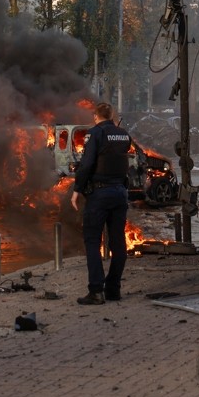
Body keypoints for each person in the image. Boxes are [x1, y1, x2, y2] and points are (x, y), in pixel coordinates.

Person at [71, 102, 132, 305]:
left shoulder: (95, 133)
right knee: (118, 243)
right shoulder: (123, 134)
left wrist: (77, 189)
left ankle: (96, 291)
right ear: (112, 115)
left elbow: (87, 164)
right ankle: (113, 289)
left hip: (99, 193)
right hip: (120, 193)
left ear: (96, 116)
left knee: (92, 241)